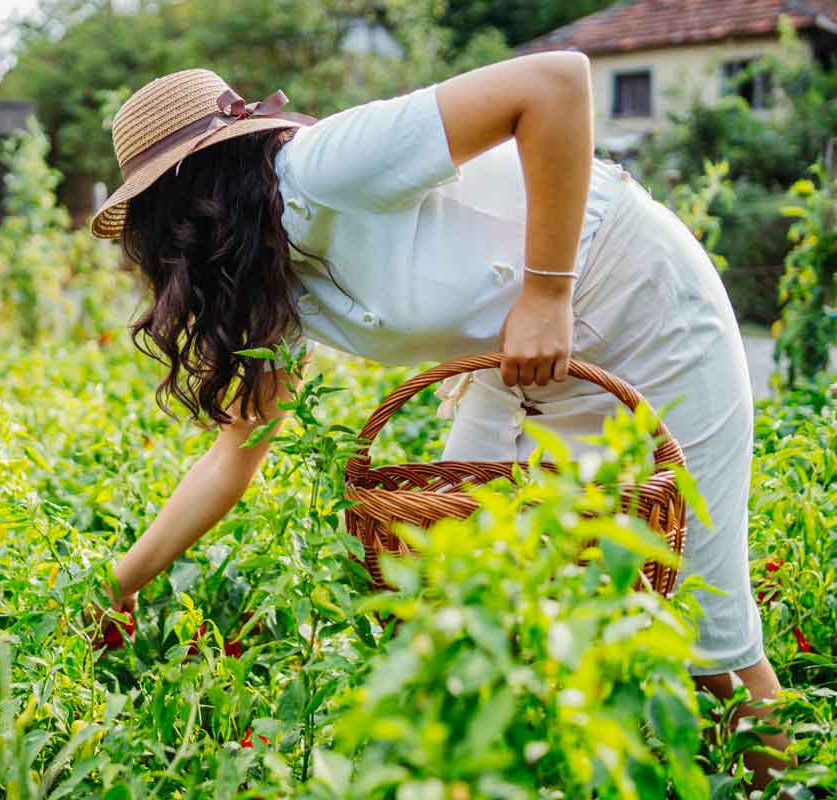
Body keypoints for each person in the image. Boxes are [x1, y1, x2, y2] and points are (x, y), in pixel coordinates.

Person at [88, 58, 790, 781]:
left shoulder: (325, 165)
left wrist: (548, 293)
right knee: (457, 596)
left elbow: (557, 84)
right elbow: (237, 454)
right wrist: (121, 584)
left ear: (187, 203)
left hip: (641, 306)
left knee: (704, 630)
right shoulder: (270, 274)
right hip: (516, 361)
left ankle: (787, 788)